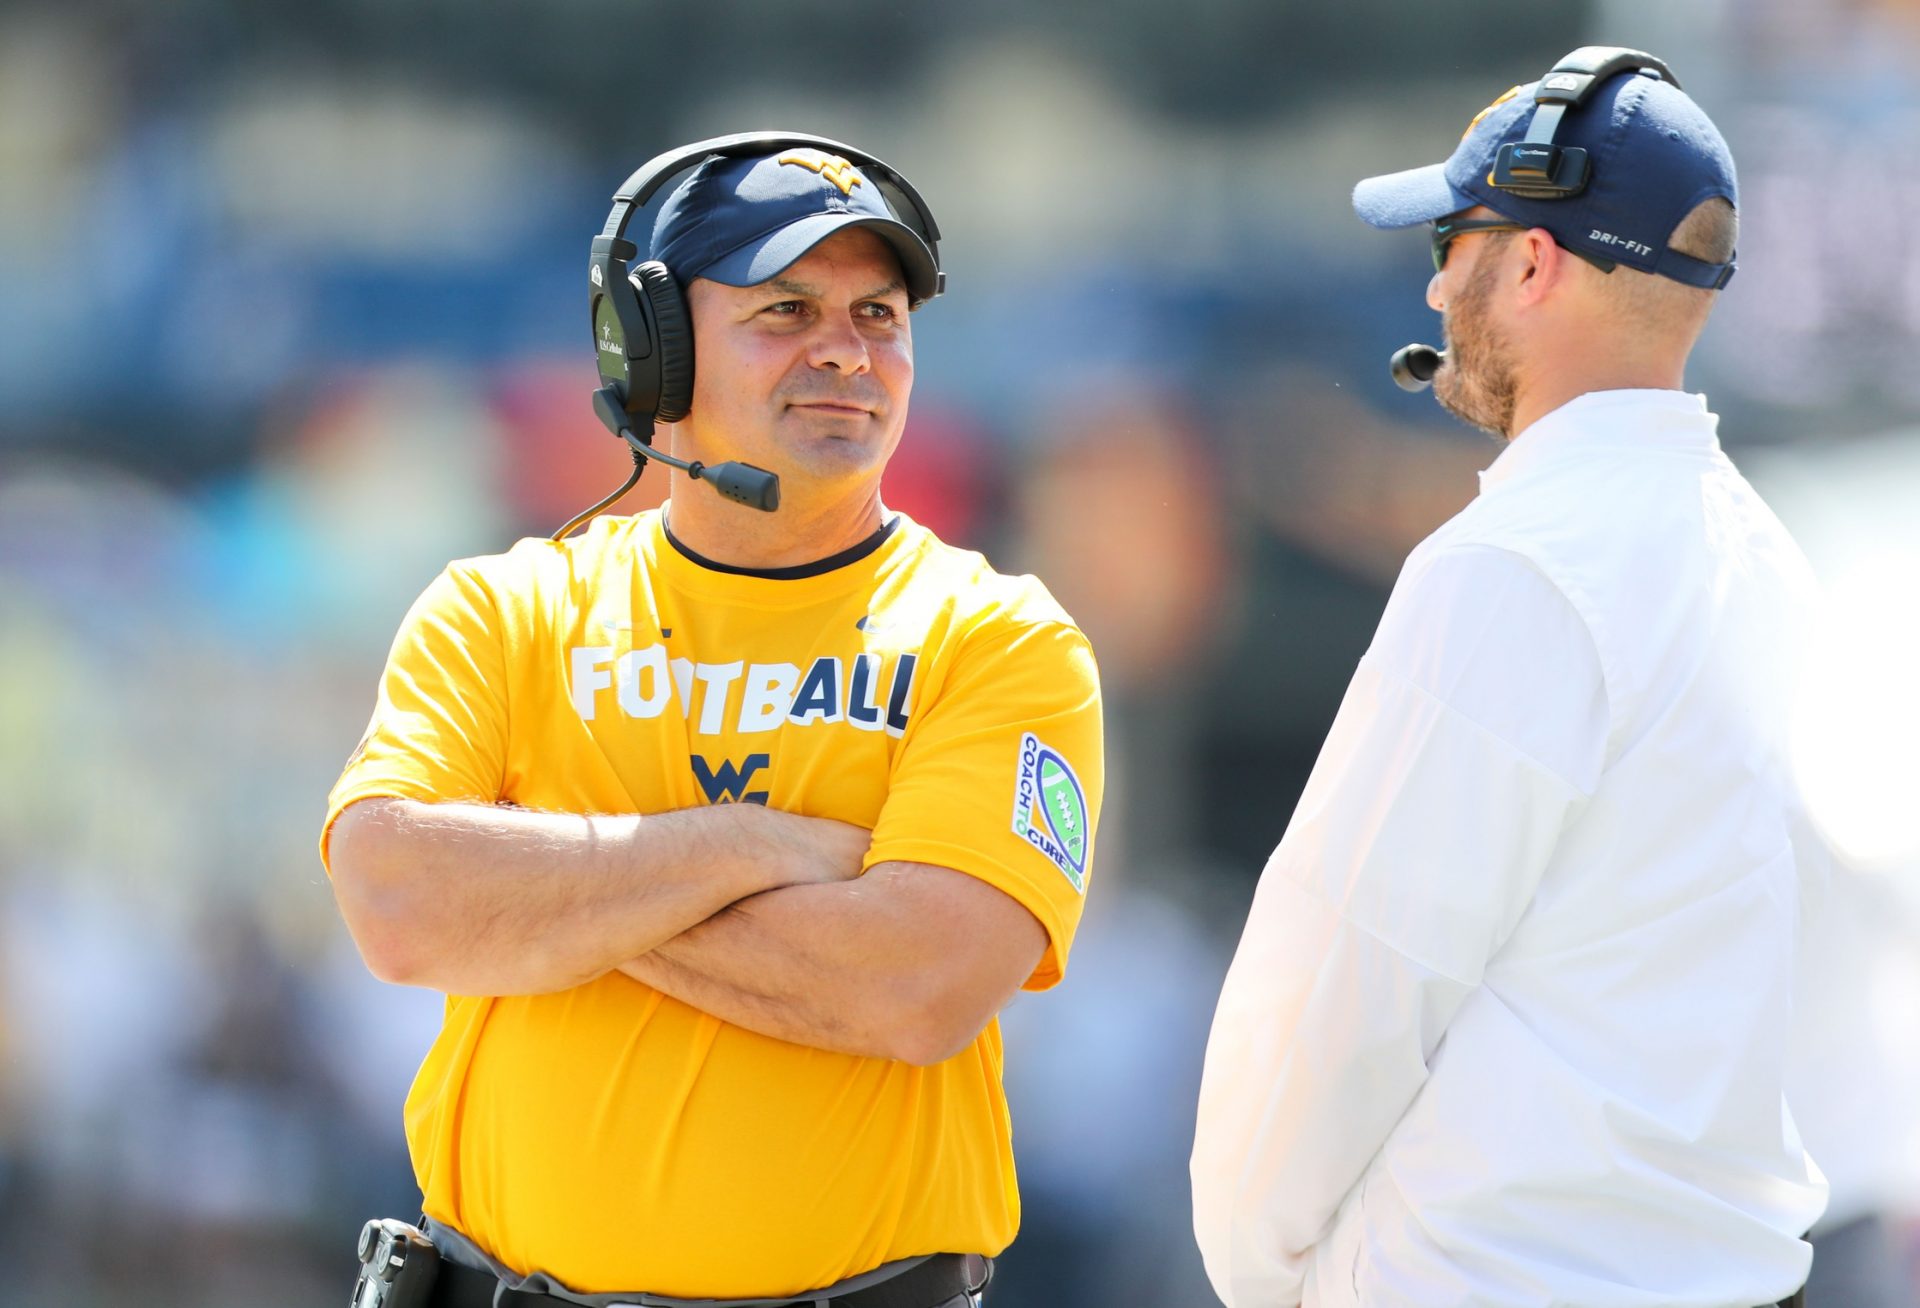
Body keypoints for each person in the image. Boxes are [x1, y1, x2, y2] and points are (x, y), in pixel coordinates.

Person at [321, 137, 1103, 1308]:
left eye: (879, 314)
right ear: (657, 351)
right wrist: (750, 847)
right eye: (786, 309)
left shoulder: (1000, 640)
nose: (846, 348)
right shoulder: (503, 610)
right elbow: (397, 899)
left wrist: (542, 876)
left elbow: (919, 985)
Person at [1189, 48, 1829, 1308]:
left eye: (1455, 242)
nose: (1433, 288)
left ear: (1533, 261)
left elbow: (1342, 981)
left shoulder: (1511, 566)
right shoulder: (1768, 554)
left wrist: (1257, 1270)